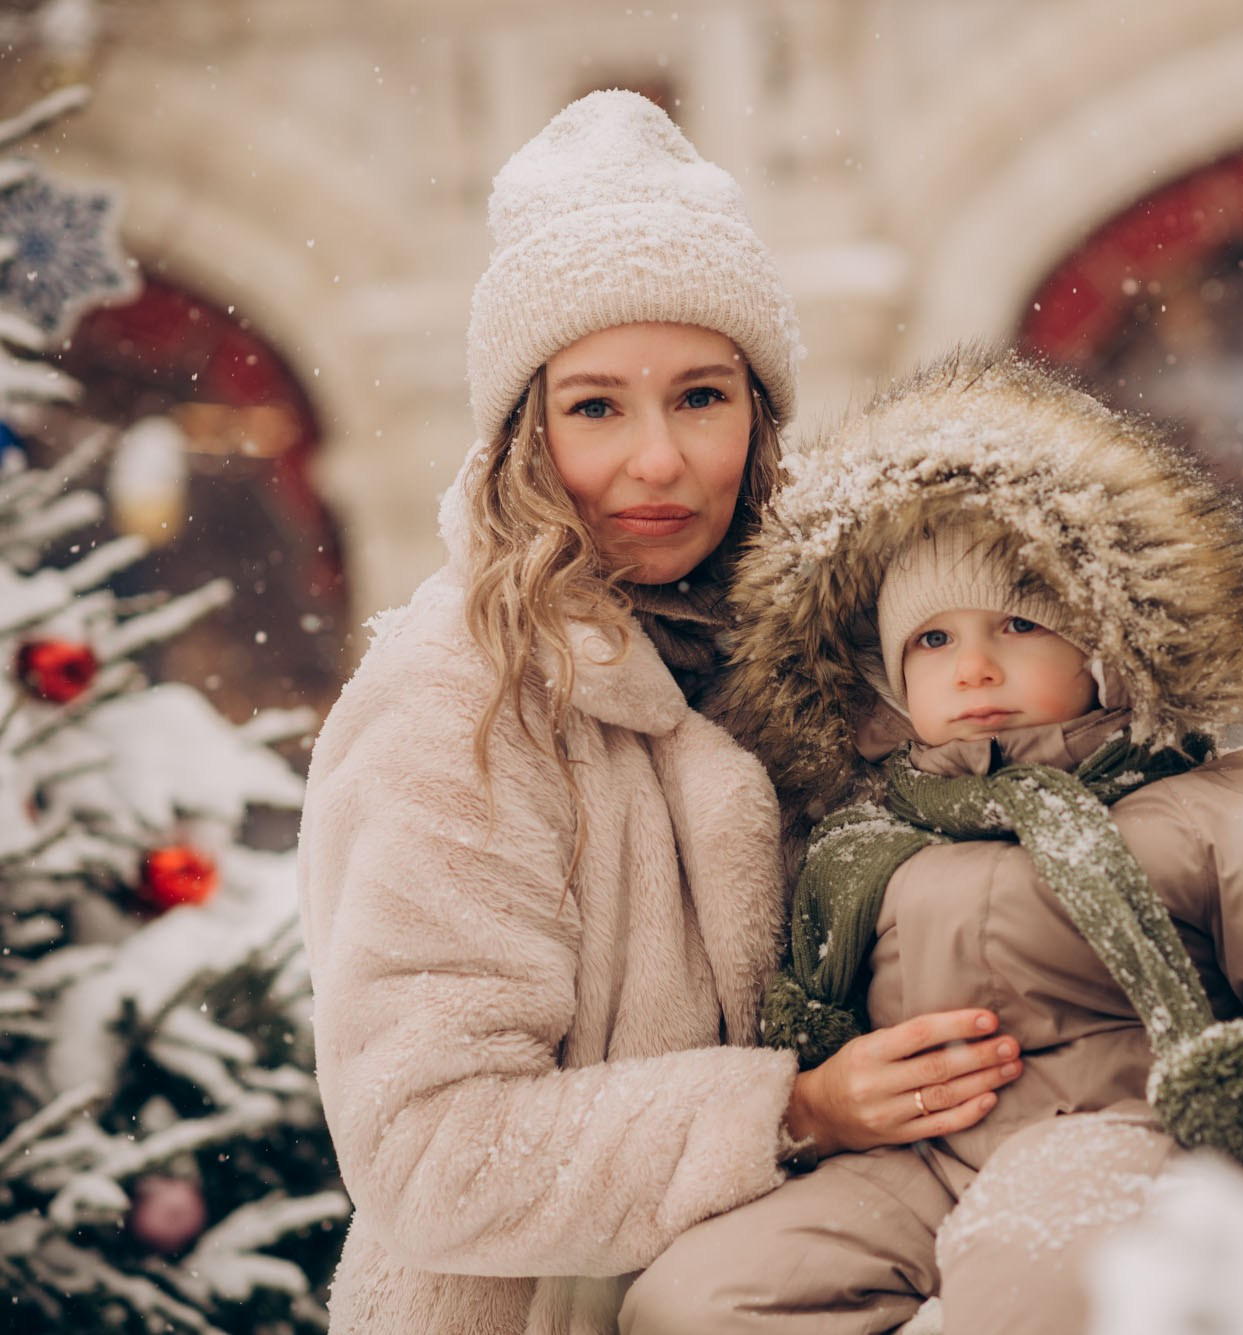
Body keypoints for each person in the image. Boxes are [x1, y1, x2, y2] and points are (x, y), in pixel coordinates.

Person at [295, 92, 1018, 1335]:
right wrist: (788, 1112)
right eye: (594, 407)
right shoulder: (460, 698)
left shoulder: (859, 659)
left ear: (760, 412)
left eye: (700, 396)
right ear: (524, 432)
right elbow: (429, 1151)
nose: (657, 462)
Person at [622, 348, 1243, 1335]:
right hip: (920, 1161)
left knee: (1033, 1279)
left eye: (1018, 626)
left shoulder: (1224, 806)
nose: (973, 665)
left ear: (1101, 641)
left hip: (1140, 1147)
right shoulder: (866, 838)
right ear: (889, 679)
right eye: (932, 641)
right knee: (696, 1301)